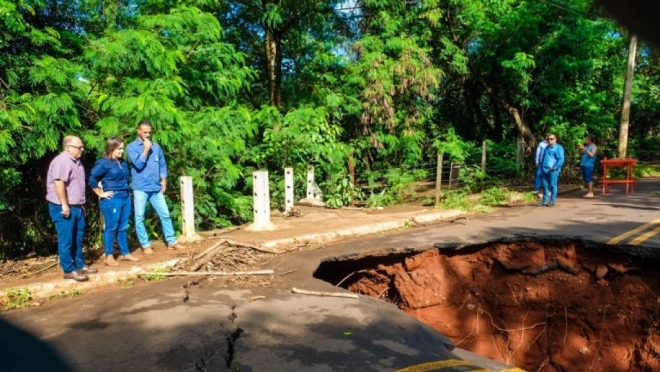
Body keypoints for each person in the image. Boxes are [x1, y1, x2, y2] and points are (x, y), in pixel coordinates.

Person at [46, 135, 98, 282]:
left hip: (77, 207)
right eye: (79, 147)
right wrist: (64, 204)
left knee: (78, 237)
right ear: (68, 147)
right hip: (63, 207)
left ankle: (79, 265)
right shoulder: (62, 161)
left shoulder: (77, 162)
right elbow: (58, 183)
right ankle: (69, 270)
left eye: (82, 146)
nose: (82, 149)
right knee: (66, 239)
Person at [126, 120, 183, 254]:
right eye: (145, 132)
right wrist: (146, 149)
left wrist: (163, 180)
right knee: (140, 217)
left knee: (165, 215)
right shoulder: (131, 147)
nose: (147, 135)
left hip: (155, 188)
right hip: (140, 188)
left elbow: (162, 164)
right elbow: (138, 165)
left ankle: (172, 241)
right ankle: (145, 245)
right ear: (138, 131)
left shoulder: (156, 147)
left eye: (149, 132)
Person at [89, 137, 141, 266]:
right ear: (111, 149)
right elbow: (92, 178)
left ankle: (125, 253)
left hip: (125, 196)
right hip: (112, 198)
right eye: (119, 149)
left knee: (123, 227)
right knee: (111, 227)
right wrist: (100, 193)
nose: (122, 151)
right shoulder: (103, 163)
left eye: (123, 148)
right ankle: (109, 255)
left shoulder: (122, 162)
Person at [538, 133, 564, 207]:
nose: (549, 140)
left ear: (555, 139)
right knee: (545, 185)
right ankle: (544, 201)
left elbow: (561, 159)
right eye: (548, 139)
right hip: (544, 169)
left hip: (553, 170)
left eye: (551, 139)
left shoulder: (559, 148)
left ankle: (552, 201)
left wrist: (555, 167)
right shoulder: (546, 147)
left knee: (553, 185)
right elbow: (543, 158)